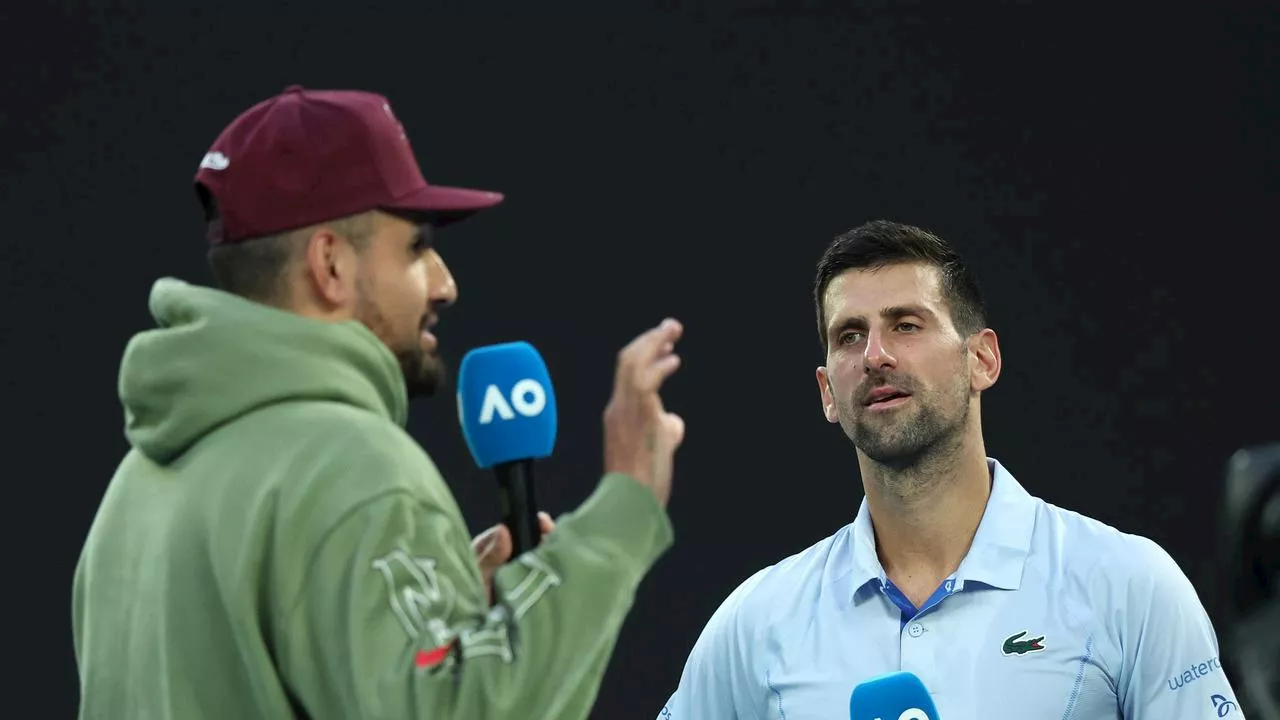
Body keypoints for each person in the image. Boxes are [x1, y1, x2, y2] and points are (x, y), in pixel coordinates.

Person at [71, 85, 687, 720]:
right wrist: (623, 509)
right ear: (331, 265)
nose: (445, 283)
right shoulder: (350, 468)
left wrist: (435, 618)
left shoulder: (133, 494)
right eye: (417, 247)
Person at [658, 220, 1244, 719]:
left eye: (906, 325)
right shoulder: (756, 621)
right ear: (827, 393)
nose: (875, 356)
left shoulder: (1127, 585)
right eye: (850, 336)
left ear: (981, 359)